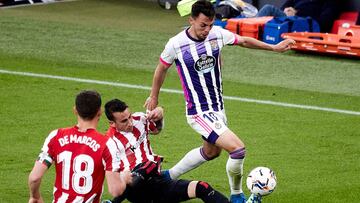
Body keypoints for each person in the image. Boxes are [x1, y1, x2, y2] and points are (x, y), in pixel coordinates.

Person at [143, 1, 295, 203]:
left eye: (210, 25)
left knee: (211, 152)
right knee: (238, 149)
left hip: (218, 109)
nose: (207, 30)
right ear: (191, 20)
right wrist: (154, 96)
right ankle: (237, 196)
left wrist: (273, 48)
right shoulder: (176, 44)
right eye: (203, 25)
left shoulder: (217, 34)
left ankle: (166, 177)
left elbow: (243, 41)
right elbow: (161, 68)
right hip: (198, 112)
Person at [104, 98, 231, 203]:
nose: (130, 122)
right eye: (124, 121)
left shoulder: (139, 119)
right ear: (112, 123)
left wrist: (160, 113)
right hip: (136, 189)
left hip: (157, 182)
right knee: (149, 164)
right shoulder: (110, 143)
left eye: (129, 116)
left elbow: (157, 129)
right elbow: (113, 177)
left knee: (202, 187)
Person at [28, 90, 131, 203]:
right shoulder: (107, 144)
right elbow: (116, 190)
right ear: (100, 111)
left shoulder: (55, 136)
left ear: (75, 110)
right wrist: (124, 178)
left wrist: (35, 197)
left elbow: (34, 178)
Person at [256, 0, 340, 32]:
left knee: (268, 8)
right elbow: (284, 7)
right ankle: (248, 29)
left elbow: (324, 22)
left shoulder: (331, 2)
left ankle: (249, 31)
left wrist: (296, 14)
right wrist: (287, 10)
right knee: (269, 10)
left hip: (305, 23)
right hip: (289, 19)